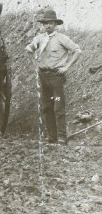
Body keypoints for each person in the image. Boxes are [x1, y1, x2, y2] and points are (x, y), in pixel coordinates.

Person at [25, 9, 82, 144]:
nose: (48, 26)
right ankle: (52, 137)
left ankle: (62, 137)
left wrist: (66, 67)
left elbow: (77, 51)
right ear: (43, 25)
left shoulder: (62, 38)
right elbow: (29, 49)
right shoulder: (39, 38)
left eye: (50, 23)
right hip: (43, 76)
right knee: (46, 107)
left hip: (56, 77)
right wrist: (35, 64)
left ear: (55, 24)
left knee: (58, 107)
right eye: (45, 23)